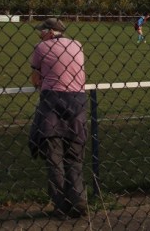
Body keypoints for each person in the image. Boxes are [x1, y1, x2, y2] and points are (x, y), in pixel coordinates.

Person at [28, 17, 88, 219]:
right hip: (77, 102)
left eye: (42, 31)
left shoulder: (41, 48)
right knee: (74, 156)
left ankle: (60, 206)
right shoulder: (77, 45)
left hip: (52, 103)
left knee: (54, 158)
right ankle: (78, 198)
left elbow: (35, 78)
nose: (40, 34)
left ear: (51, 32)